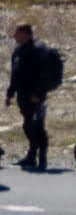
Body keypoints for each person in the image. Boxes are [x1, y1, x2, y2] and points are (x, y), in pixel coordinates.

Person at [6, 22, 60, 172]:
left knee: (37, 126)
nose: (14, 36)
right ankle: (31, 156)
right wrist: (10, 94)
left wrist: (39, 94)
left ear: (25, 34)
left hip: (35, 97)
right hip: (23, 96)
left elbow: (44, 76)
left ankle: (42, 158)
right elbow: (15, 74)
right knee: (28, 125)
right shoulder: (18, 51)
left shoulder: (38, 51)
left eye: (17, 33)